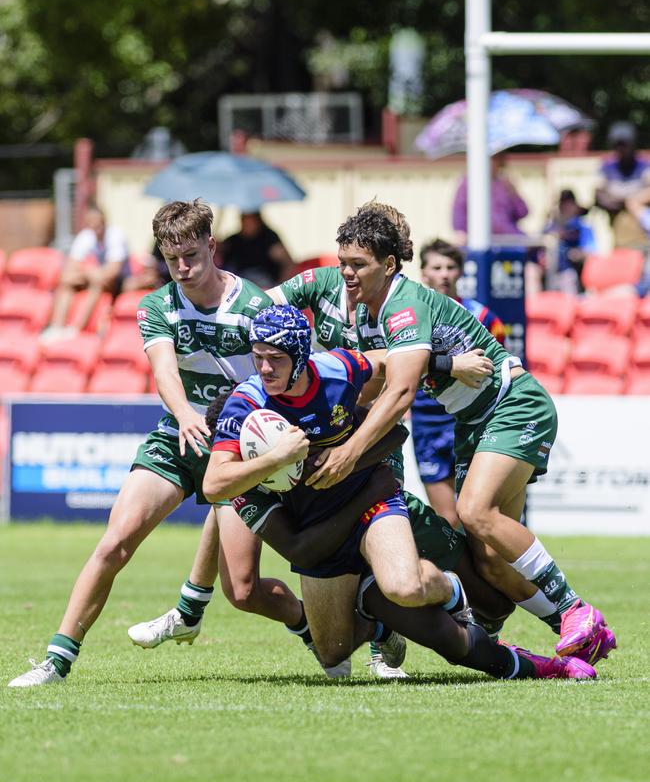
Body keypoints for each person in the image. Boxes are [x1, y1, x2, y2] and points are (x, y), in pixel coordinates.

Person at [205, 305, 596, 682]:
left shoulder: (337, 370)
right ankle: (378, 622)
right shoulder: (245, 409)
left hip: (373, 507)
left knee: (412, 589)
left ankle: (473, 608)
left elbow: (395, 364)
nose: (265, 368)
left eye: (275, 358)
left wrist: (448, 365)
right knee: (333, 652)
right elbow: (218, 488)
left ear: (301, 355)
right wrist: (274, 459)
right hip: (324, 536)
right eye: (257, 358)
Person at [304, 202, 616, 668]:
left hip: (512, 405)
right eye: (342, 263)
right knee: (489, 560)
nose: (346, 273)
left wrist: (350, 451)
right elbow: (380, 376)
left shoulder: (402, 306)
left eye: (357, 265)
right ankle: (578, 633)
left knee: (474, 511)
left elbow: (401, 390)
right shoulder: (375, 310)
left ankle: (574, 610)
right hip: (474, 423)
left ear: (388, 265)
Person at [8, 199, 305, 688]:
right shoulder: (157, 305)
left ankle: (311, 628)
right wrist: (186, 414)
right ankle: (55, 663)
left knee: (246, 592)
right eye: (172, 260)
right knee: (114, 542)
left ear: (212, 246)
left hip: (237, 449)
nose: (183, 269)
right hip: (177, 437)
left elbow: (284, 376)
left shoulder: (255, 306)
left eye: (192, 255)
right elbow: (164, 369)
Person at [410, 239, 506, 527]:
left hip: (469, 419)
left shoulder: (483, 317)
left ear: (461, 273)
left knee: (474, 513)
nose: (444, 274)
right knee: (447, 518)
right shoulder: (411, 317)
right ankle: (456, 573)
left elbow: (499, 365)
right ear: (423, 273)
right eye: (436, 267)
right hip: (426, 421)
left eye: (450, 267)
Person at [41, 203, 131, 340]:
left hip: (120, 281)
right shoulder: (87, 235)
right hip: (97, 275)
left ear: (104, 220)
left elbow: (113, 270)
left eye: (96, 221)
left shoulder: (115, 235)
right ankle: (56, 326)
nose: (94, 225)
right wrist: (90, 272)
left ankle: (76, 328)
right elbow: (70, 265)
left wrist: (89, 272)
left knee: (97, 283)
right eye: (91, 221)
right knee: (67, 281)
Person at [595, 121, 650, 249]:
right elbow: (598, 193)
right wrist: (616, 202)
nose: (621, 149)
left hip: (641, 229)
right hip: (615, 225)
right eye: (618, 145)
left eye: (624, 145)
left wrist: (634, 201)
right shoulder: (606, 166)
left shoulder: (644, 165)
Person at [452, 152, 529, 241]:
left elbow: (523, 213)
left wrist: (514, 194)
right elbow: (459, 211)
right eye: (494, 159)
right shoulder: (468, 183)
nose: (497, 165)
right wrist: (461, 232)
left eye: (499, 161)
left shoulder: (504, 184)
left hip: (509, 239)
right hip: (481, 239)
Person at [220, 211, 295, 289]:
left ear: (258, 221)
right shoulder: (233, 240)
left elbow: (287, 263)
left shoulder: (270, 238)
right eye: (244, 220)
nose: (246, 224)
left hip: (265, 282)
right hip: (239, 281)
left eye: (249, 220)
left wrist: (280, 287)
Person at [542, 189, 597, 293]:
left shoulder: (582, 226)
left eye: (569, 205)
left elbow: (591, 251)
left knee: (567, 278)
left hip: (569, 274)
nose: (566, 208)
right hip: (547, 273)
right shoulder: (551, 226)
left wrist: (576, 254)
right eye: (563, 205)